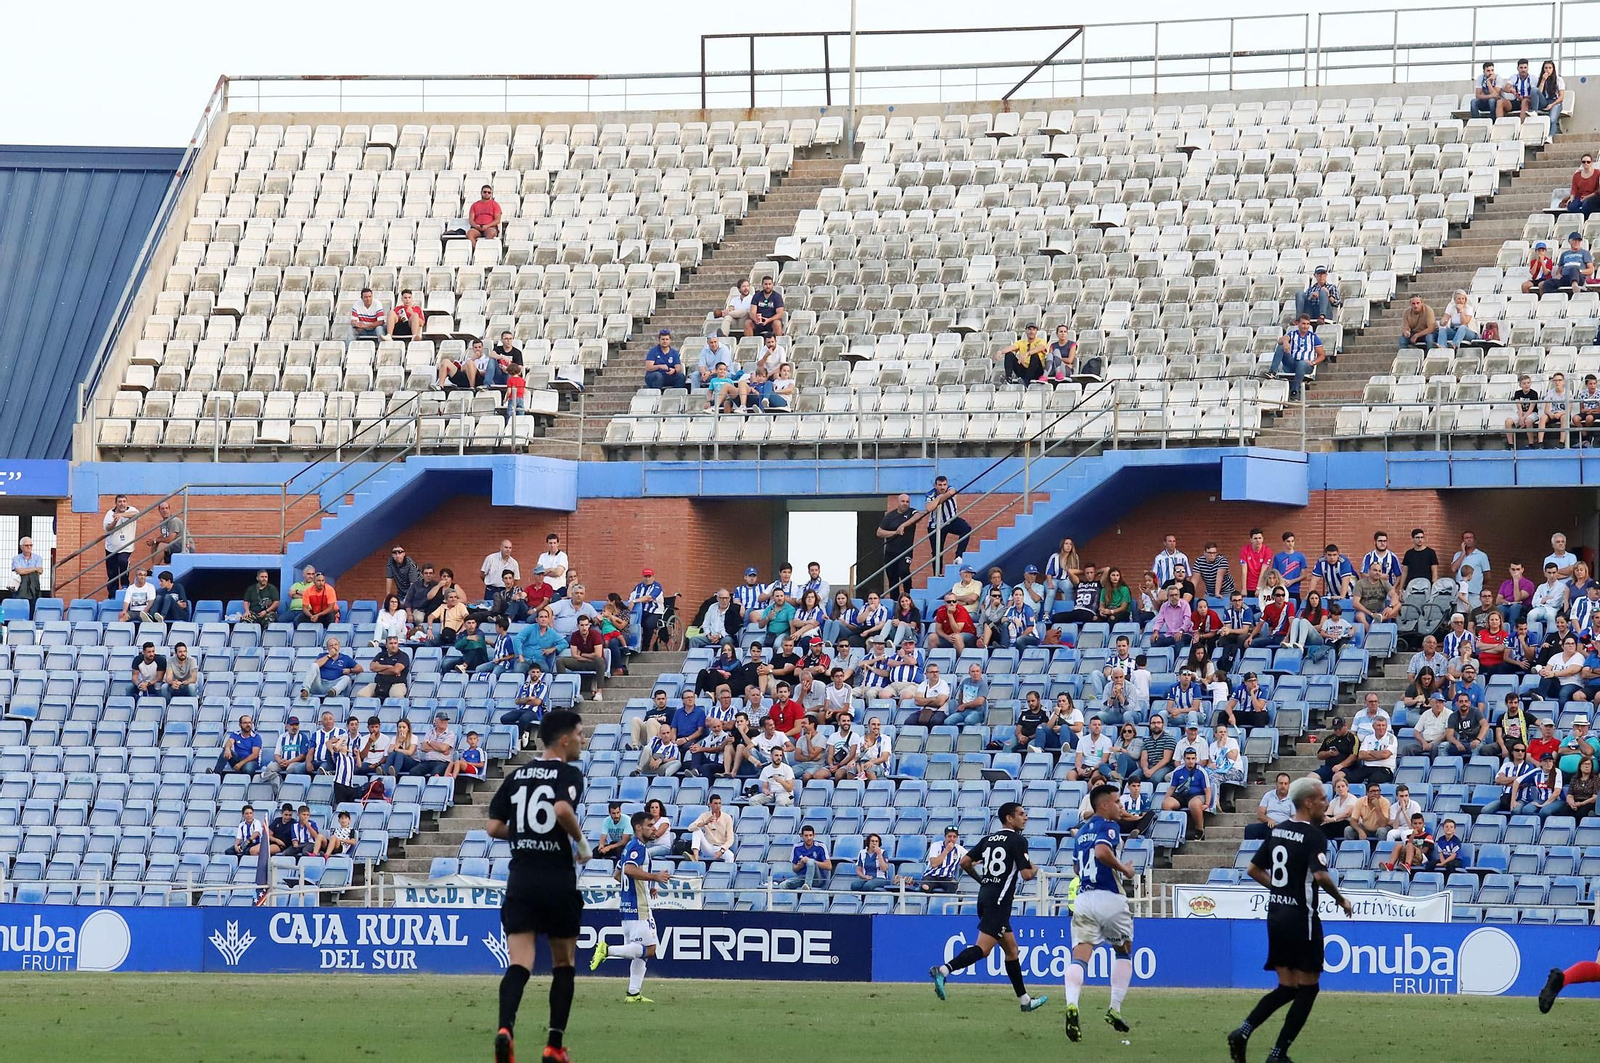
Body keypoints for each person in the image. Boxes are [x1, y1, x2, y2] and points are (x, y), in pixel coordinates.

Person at [1228, 776, 1354, 1063]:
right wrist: (1341, 900)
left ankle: (1243, 1031)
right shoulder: (1314, 836)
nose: (1326, 803)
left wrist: (1280, 888)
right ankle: (1278, 1053)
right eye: (1323, 798)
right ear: (1308, 802)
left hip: (1276, 916)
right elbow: (1320, 875)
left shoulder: (1279, 831)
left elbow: (1253, 869)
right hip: (1302, 918)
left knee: (1288, 987)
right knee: (1309, 988)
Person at [487, 709, 588, 1063]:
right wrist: (581, 841)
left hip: (522, 878)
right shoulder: (569, 773)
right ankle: (553, 1046)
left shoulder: (518, 776)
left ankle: (505, 1030)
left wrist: (526, 833)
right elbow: (561, 809)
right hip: (557, 880)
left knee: (520, 963)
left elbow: (493, 828)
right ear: (564, 739)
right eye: (579, 733)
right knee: (563, 964)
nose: (582, 739)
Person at [928, 802, 1050, 1015]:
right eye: (1021, 814)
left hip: (985, 897)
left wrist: (983, 880)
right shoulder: (1018, 840)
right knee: (983, 949)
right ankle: (943, 970)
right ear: (1009, 819)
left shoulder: (988, 840)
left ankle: (1025, 1000)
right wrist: (1036, 868)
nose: (1026, 817)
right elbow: (1026, 874)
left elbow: (965, 862)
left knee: (1012, 951)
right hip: (1000, 901)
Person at [588, 811, 669, 1003]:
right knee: (649, 949)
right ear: (638, 827)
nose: (654, 829)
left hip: (628, 906)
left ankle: (633, 993)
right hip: (639, 908)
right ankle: (607, 950)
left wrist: (646, 885)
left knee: (639, 952)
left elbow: (618, 874)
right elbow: (630, 870)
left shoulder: (628, 848)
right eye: (650, 825)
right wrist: (654, 877)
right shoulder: (638, 847)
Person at [876, 493, 920, 599]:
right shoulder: (890, 516)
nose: (905, 503)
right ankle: (895, 601)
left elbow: (918, 516)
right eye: (903, 501)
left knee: (904, 571)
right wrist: (895, 532)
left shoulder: (911, 512)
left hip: (906, 551)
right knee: (892, 578)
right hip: (891, 552)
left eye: (907, 502)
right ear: (898, 502)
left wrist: (903, 525)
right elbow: (879, 532)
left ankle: (908, 596)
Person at [1270, 315, 1325, 399]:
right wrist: (1285, 342)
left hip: (1306, 365)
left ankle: (1294, 391)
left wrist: (1313, 362)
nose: (1305, 326)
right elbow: (1280, 340)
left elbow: (1322, 355)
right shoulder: (1292, 334)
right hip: (1292, 363)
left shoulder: (1313, 337)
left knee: (1302, 363)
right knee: (1281, 346)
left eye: (1307, 324)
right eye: (1303, 323)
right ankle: (1272, 372)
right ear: (1298, 324)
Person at [924, 474, 971, 567]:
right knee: (937, 552)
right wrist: (939, 498)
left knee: (966, 529)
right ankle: (937, 574)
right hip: (935, 525)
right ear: (935, 486)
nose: (942, 487)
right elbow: (929, 508)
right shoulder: (930, 494)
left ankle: (958, 556)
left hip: (951, 520)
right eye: (940, 485)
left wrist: (938, 500)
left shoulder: (951, 489)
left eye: (944, 484)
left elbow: (951, 493)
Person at [101, 493, 137, 591]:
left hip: (126, 547)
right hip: (111, 548)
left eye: (124, 501)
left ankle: (125, 585)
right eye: (120, 502)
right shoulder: (109, 513)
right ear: (116, 503)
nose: (122, 504)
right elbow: (107, 528)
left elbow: (136, 514)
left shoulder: (131, 510)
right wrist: (114, 521)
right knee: (112, 572)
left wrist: (121, 515)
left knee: (123, 562)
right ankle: (112, 594)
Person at [143, 500, 192, 566]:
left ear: (169, 509)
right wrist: (153, 540)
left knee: (161, 545)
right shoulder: (163, 523)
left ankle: (154, 568)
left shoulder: (173, 521)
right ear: (159, 511)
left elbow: (170, 539)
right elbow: (164, 535)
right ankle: (154, 566)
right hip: (175, 545)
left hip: (185, 546)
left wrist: (155, 540)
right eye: (162, 509)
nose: (165, 510)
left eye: (166, 508)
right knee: (155, 544)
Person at [10, 537, 44, 603]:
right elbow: (19, 571)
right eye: (26, 545)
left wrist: (24, 570)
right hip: (20, 587)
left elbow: (40, 571)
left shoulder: (38, 558)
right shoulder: (16, 558)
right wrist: (35, 568)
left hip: (34, 586)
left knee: (33, 606)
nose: (29, 547)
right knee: (19, 606)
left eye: (30, 545)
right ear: (21, 547)